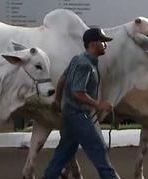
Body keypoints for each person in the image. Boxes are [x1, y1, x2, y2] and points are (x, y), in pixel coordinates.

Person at [42, 28, 119, 179]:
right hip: (78, 116)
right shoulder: (85, 65)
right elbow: (78, 92)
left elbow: (63, 80)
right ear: (93, 43)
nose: (105, 45)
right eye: (103, 41)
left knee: (63, 153)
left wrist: (58, 101)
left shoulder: (78, 59)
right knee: (98, 149)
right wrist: (99, 105)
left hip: (70, 115)